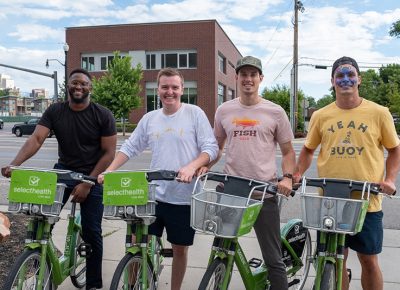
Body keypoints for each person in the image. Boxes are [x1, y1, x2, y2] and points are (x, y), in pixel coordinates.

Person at [97, 67, 218, 290]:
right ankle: (132, 284)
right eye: (165, 87)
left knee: (179, 248)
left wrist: (192, 166)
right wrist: (110, 170)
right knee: (137, 243)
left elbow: (211, 148)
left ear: (182, 89)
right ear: (157, 89)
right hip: (152, 195)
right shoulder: (149, 118)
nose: (169, 91)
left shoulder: (194, 113)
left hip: (183, 197)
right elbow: (131, 147)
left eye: (174, 87)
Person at [1, 68, 117, 290]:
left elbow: (109, 154)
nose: (78, 87)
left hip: (92, 175)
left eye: (83, 83)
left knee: (92, 230)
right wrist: (16, 164)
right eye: (74, 83)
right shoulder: (55, 111)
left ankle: (92, 283)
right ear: (68, 87)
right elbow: (36, 138)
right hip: (63, 171)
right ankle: (38, 259)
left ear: (90, 88)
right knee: (41, 221)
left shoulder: (103, 114)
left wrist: (88, 182)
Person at [294, 56, 400, 290]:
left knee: (368, 260)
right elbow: (308, 150)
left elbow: (394, 150)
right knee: (334, 257)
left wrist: (389, 179)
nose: (345, 79)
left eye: (350, 74)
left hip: (366, 201)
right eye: (340, 76)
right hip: (330, 201)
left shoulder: (379, 112)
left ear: (359, 79)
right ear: (332, 81)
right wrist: (296, 174)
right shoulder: (321, 115)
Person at [201, 56, 296, 290]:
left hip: (263, 192)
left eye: (253, 74)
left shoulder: (275, 112)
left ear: (260, 78)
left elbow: (288, 152)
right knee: (221, 250)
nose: (248, 79)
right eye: (244, 74)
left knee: (273, 258)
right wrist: (205, 166)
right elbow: (217, 147)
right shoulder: (224, 110)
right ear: (236, 78)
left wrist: (287, 177)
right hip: (231, 190)